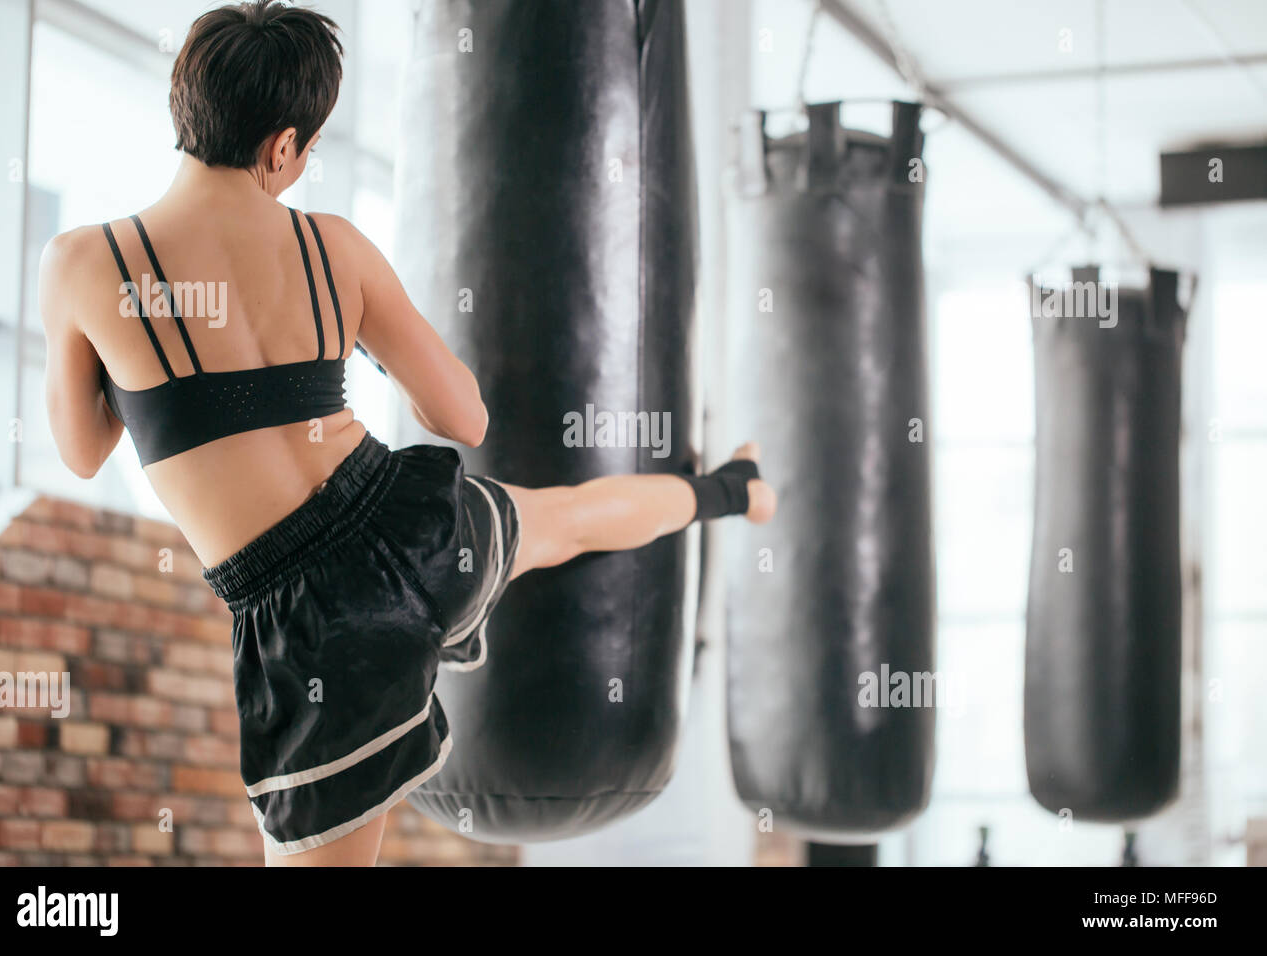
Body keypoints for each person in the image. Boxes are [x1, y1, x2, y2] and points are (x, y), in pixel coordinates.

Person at [39, 0, 776, 866]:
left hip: (316, 623)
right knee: (567, 518)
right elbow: (465, 416)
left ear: (184, 100)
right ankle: (735, 490)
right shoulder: (332, 249)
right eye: (307, 151)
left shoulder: (85, 265)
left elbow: (83, 453)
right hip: (411, 530)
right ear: (284, 146)